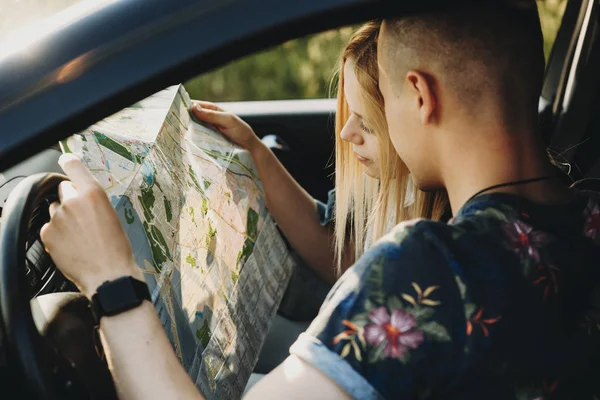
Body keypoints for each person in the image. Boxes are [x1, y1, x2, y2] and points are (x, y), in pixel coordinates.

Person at [41, 2, 600, 399]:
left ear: (419, 95)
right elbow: (343, 248)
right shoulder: (587, 216)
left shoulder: (428, 271)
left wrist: (111, 280)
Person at [190, 21, 447, 286]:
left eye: (368, 123)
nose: (347, 133)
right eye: (349, 113)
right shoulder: (387, 183)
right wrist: (254, 150)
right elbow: (347, 261)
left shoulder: (439, 236)